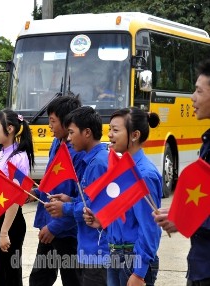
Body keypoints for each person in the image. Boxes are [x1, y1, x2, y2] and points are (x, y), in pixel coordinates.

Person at [84, 107, 162, 286]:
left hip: (133, 260)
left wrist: (139, 273)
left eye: (115, 130)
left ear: (134, 135)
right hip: (115, 255)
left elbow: (150, 227)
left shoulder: (144, 175)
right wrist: (101, 220)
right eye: (110, 129)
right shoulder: (122, 168)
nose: (110, 134)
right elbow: (124, 214)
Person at [154, 59, 210, 286]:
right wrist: (178, 211)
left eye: (198, 91)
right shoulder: (207, 140)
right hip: (200, 264)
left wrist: (184, 220)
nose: (192, 98)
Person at [49, 106, 110, 285]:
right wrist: (71, 200)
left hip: (97, 250)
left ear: (87, 133)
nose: (68, 138)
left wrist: (65, 208)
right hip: (88, 247)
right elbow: (88, 200)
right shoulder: (92, 160)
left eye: (71, 132)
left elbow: (93, 208)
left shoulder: (98, 164)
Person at [29, 95, 84, 286]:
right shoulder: (56, 143)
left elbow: (80, 199)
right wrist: (36, 192)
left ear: (67, 121)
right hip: (49, 223)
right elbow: (51, 179)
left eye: (52, 121)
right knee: (39, 279)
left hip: (67, 230)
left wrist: (54, 227)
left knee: (73, 279)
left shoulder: (78, 151)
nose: (49, 126)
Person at [0, 109, 34, 286]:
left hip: (10, 222)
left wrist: (4, 232)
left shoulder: (19, 157)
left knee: (9, 275)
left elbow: (16, 197)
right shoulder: (1, 153)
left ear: (9, 129)